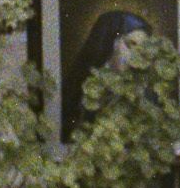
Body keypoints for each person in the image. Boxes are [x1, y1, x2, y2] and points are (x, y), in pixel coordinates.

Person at [59, 8, 152, 142]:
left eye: (142, 50)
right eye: (131, 44)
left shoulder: (144, 89)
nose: (137, 57)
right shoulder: (79, 88)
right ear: (110, 41)